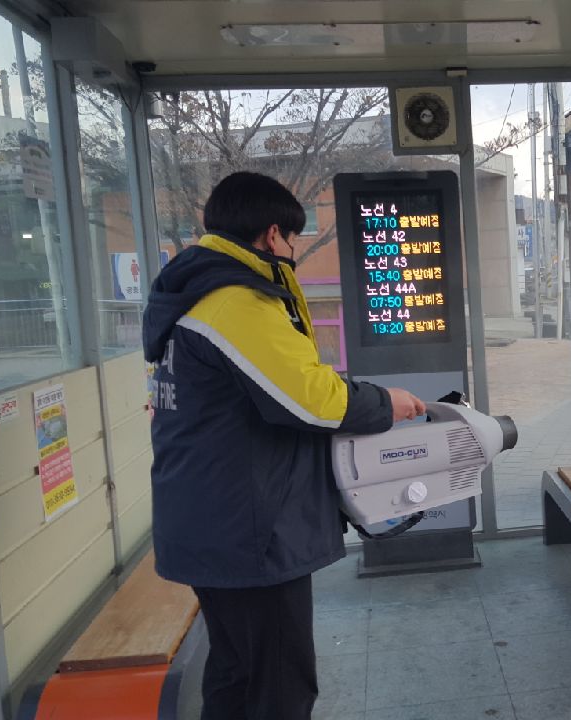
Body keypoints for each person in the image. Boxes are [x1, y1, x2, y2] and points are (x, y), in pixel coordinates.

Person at [143, 171, 425, 719]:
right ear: (272, 235)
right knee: (278, 684)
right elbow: (311, 399)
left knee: (236, 672)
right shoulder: (235, 302)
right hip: (248, 530)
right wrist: (385, 402)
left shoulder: (190, 295)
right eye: (293, 238)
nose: (293, 251)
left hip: (208, 518)